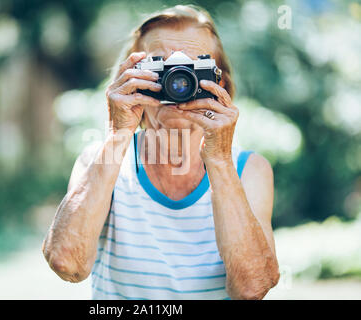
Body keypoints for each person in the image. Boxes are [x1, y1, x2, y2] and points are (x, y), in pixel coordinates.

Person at [43, 5, 279, 300]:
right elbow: (68, 264)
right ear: (131, 78)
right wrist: (118, 135)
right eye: (161, 67)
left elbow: (252, 288)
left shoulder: (250, 170)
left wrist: (219, 159)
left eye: (192, 67)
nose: (177, 82)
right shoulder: (98, 161)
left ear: (220, 84)